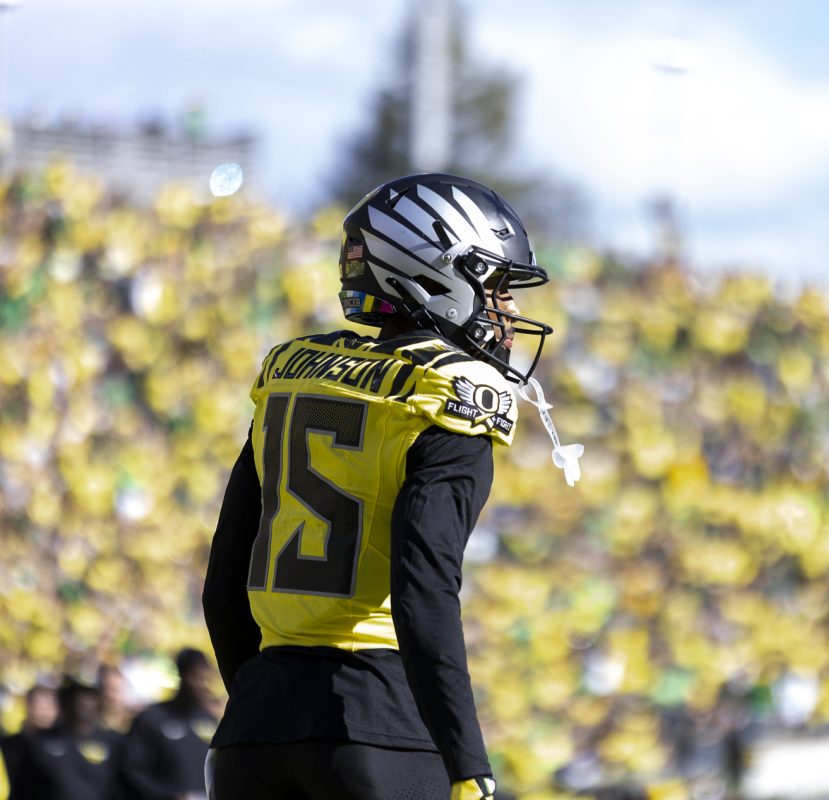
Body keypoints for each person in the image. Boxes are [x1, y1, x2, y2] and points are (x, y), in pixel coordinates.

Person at [202, 173, 559, 800]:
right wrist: (469, 764)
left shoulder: (296, 374)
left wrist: (265, 709)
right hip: (380, 730)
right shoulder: (446, 396)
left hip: (251, 734)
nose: (510, 311)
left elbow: (222, 585)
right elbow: (422, 593)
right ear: (431, 275)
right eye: (496, 286)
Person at [119, 649, 218, 800]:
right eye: (197, 678)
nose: (203, 685)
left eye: (207, 678)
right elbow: (131, 770)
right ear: (182, 675)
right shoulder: (151, 718)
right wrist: (170, 796)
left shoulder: (209, 720)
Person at [8, 676, 123, 800]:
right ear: (66, 699)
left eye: (90, 696)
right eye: (78, 695)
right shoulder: (40, 743)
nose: (84, 702)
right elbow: (21, 789)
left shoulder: (114, 742)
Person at [0, 681, 58, 787]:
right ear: (27, 706)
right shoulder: (8, 746)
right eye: (40, 706)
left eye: (49, 707)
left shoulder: (64, 748)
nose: (45, 713)